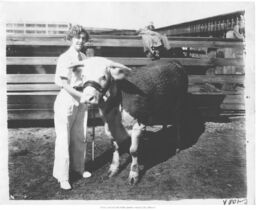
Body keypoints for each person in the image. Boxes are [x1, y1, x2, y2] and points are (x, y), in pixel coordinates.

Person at [53, 25, 91, 190]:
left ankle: (79, 168)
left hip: (82, 100)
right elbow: (63, 83)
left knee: (80, 135)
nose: (81, 41)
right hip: (67, 100)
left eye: (83, 38)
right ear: (70, 38)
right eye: (78, 37)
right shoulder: (64, 57)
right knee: (63, 139)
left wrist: (88, 95)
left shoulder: (83, 56)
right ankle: (62, 176)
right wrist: (80, 95)